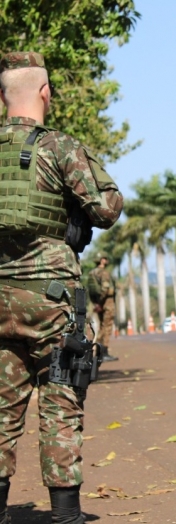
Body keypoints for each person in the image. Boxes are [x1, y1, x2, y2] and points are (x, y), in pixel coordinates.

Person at [0, 52, 123, 523]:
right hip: (50, 298)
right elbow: (108, 209)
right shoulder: (59, 147)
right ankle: (65, 515)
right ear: (45, 92)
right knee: (60, 399)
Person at [87, 251, 119, 362]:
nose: (106, 260)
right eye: (105, 258)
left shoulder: (92, 273)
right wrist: (101, 302)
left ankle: (99, 352)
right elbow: (105, 288)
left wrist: (96, 303)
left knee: (100, 327)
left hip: (97, 303)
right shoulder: (104, 273)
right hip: (106, 302)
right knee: (107, 326)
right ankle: (104, 353)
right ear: (102, 260)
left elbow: (91, 289)